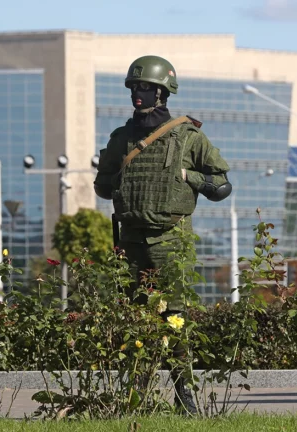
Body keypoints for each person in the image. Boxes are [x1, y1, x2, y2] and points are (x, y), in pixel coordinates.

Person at [93, 55, 232, 414]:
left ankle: (185, 399)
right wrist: (121, 183)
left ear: (162, 92)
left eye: (146, 88)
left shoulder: (188, 137)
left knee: (174, 317)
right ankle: (135, 399)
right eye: (134, 87)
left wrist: (189, 179)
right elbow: (103, 188)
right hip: (130, 239)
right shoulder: (122, 138)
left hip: (170, 240)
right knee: (134, 320)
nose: (137, 94)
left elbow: (222, 185)